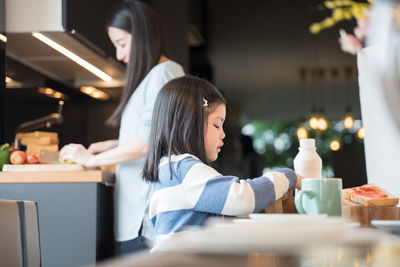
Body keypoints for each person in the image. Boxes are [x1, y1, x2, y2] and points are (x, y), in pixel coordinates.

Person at [59, 0, 184, 254]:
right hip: (135, 217)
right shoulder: (155, 75)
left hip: (143, 215)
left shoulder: (163, 73)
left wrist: (90, 159)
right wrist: (114, 144)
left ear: (142, 35)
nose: (119, 55)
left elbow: (146, 145)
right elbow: (154, 135)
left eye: (122, 44)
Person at [142, 76, 302, 249]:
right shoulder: (186, 170)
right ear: (189, 124)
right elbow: (243, 198)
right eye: (217, 125)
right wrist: (288, 176)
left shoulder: (168, 169)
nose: (223, 134)